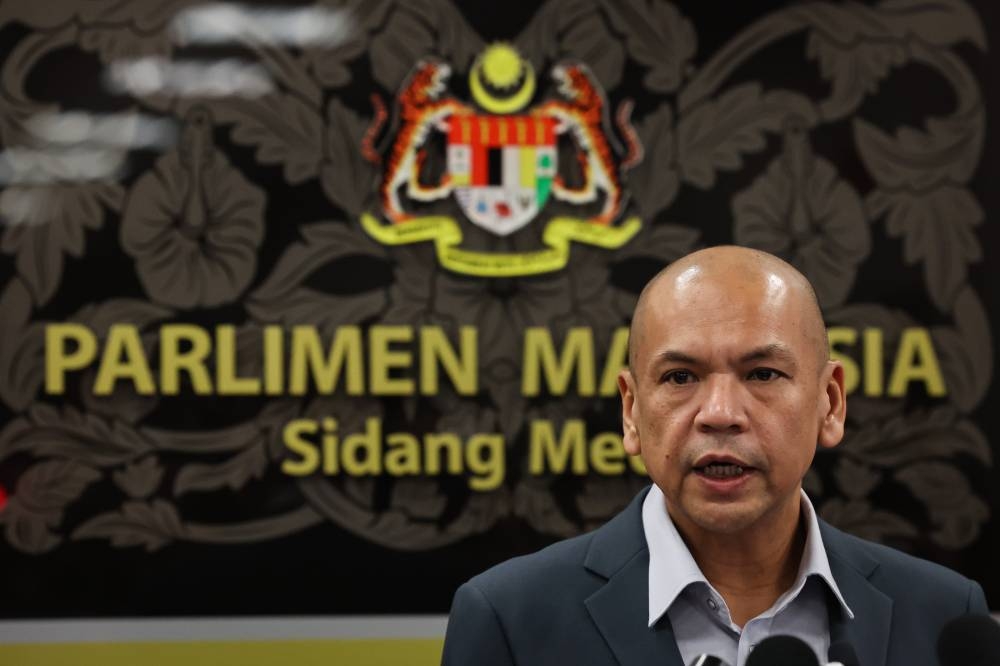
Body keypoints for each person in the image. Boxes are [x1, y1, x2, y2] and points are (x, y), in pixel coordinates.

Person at [441, 246, 988, 666]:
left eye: (762, 374)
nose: (721, 413)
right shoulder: (511, 620)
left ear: (831, 403)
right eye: (681, 377)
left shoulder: (942, 615)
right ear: (631, 411)